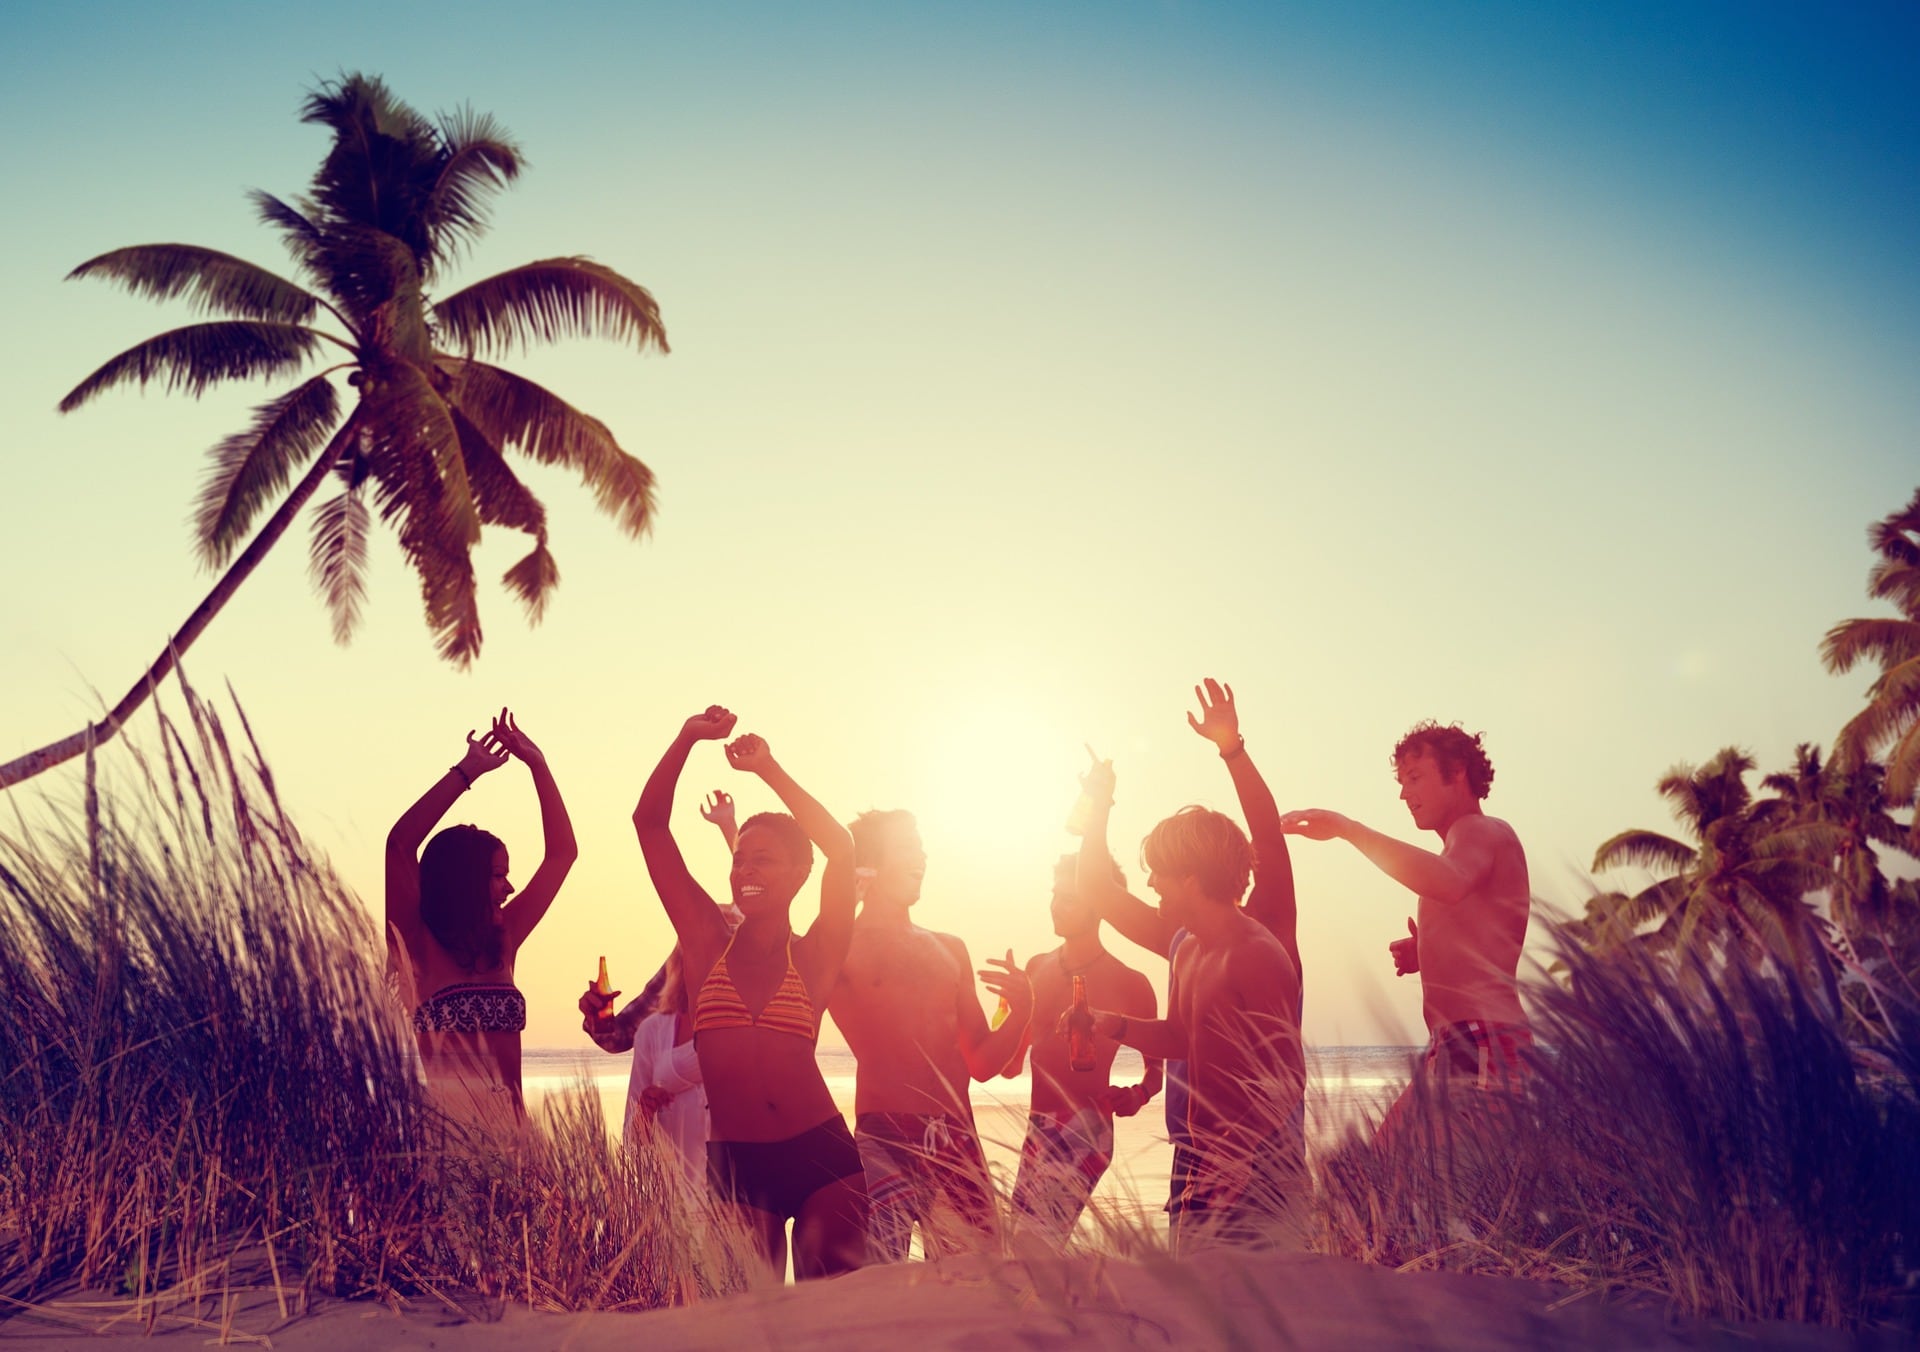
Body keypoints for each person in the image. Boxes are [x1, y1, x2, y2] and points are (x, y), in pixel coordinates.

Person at [634, 706, 867, 1279]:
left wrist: (768, 769)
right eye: (740, 859)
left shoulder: (816, 952)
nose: (746, 870)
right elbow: (649, 825)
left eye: (764, 859)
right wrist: (687, 737)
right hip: (737, 1164)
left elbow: (841, 848)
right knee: (750, 1319)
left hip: (823, 1159)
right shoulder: (704, 941)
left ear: (799, 874)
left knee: (830, 1317)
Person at [1075, 678, 1299, 1234]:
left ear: (1192, 879)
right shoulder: (1182, 943)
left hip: (1257, 1164)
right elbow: (1097, 889)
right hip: (1193, 1155)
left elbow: (1268, 840)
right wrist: (1098, 804)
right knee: (1192, 1290)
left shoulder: (1264, 937)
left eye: (1159, 873)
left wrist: (1232, 750)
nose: (1150, 883)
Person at [1280, 721, 1531, 1118]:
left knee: (1391, 1159)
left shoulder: (1480, 829)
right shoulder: (1463, 845)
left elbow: (1450, 882)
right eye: (1401, 782)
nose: (1403, 793)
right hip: (1459, 1041)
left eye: (1414, 777)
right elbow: (1480, 933)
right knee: (1382, 1158)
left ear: (1458, 770)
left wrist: (1348, 830)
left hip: (1480, 1039)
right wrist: (1427, 952)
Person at [829, 809, 1033, 1261]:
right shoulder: (840, 946)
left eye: (921, 847)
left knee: (980, 1278)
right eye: (908, 847)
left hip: (956, 1136)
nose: (921, 857)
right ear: (869, 866)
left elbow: (982, 1063)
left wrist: (1021, 1014)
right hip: (885, 1136)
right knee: (883, 1277)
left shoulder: (950, 948)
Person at [385, 710, 577, 1131]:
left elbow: (563, 854)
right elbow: (399, 845)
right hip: (452, 1149)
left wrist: (538, 764)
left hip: (517, 1143)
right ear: (464, 881)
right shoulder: (415, 945)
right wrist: (467, 771)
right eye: (498, 876)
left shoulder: (503, 939)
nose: (509, 888)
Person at [1001, 855, 1161, 1242]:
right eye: (1055, 894)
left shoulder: (1130, 983)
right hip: (1038, 1128)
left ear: (1100, 904)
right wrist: (1010, 1011)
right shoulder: (1036, 967)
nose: (1057, 905)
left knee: (1031, 1244)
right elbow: (1010, 1067)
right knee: (1022, 1248)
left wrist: (1138, 1094)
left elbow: (1158, 1067)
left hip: (1085, 1129)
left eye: (1069, 898)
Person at [582, 789, 740, 1054]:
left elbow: (750, 884)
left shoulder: (755, 945)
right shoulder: (682, 962)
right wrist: (598, 1015)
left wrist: (729, 826)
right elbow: (619, 1037)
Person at [623, 944, 708, 1198]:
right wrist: (645, 1111)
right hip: (673, 1200)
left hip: (733, 1201)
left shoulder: (747, 1031)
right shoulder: (653, 1031)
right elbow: (632, 1142)